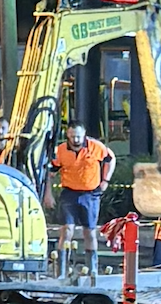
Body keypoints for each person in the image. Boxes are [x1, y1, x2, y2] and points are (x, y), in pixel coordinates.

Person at [49, 120, 116, 282]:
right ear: (68, 135)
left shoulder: (95, 147)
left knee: (90, 232)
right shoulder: (61, 151)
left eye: (78, 136)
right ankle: (61, 269)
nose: (76, 140)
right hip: (70, 193)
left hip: (90, 194)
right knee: (67, 230)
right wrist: (48, 194)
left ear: (84, 134)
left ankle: (92, 268)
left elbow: (110, 159)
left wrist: (105, 180)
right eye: (72, 136)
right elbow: (50, 172)